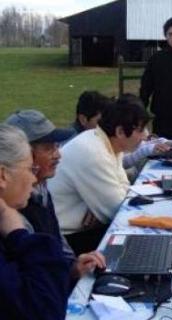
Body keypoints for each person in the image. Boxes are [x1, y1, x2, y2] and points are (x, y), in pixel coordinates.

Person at [5, 110, 106, 283]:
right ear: (26, 154)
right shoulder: (15, 208)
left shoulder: (42, 186)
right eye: (48, 148)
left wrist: (74, 265)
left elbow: (57, 239)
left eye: (57, 146)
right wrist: (68, 272)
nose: (58, 155)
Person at [48, 97, 149, 254]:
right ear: (120, 132)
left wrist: (100, 208)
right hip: (65, 240)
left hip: (81, 228)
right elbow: (119, 211)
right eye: (141, 130)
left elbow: (125, 191)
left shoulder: (107, 143)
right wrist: (105, 207)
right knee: (142, 245)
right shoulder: (93, 152)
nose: (145, 136)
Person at [0, 124, 70, 319]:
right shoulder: (12, 223)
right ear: (2, 175)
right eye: (30, 169)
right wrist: (18, 234)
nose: (33, 178)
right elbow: (47, 310)